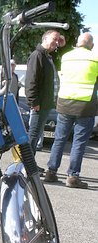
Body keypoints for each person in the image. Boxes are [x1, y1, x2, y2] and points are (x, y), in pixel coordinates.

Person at [43, 33, 98, 189]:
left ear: (77, 43)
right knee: (78, 143)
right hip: (85, 107)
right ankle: (72, 176)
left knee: (59, 139)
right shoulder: (95, 58)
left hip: (64, 104)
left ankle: (51, 172)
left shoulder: (66, 57)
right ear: (91, 45)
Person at [25, 30, 64, 160]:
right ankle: (26, 168)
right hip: (39, 104)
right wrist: (34, 102)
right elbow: (31, 80)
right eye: (54, 39)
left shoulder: (48, 56)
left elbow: (60, 63)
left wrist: (61, 45)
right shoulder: (37, 55)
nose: (57, 42)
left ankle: (30, 166)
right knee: (33, 135)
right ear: (45, 39)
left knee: (36, 136)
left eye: (58, 40)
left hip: (45, 104)